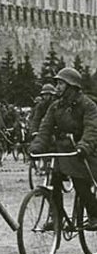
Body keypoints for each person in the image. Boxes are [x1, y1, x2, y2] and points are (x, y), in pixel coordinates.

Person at [29, 67, 97, 231]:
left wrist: (84, 146)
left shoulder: (88, 105)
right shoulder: (55, 107)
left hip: (84, 151)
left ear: (72, 86)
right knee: (54, 181)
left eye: (61, 83)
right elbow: (45, 129)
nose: (57, 87)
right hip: (63, 151)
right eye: (57, 83)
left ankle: (94, 215)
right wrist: (36, 147)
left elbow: (92, 129)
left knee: (80, 181)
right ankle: (57, 217)